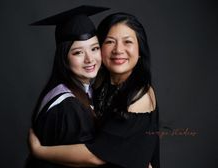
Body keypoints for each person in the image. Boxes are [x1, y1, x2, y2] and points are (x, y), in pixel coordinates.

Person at [29, 12, 160, 168]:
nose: (118, 49)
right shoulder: (91, 90)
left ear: (140, 51)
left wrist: (39, 151)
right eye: (110, 41)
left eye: (128, 42)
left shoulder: (139, 95)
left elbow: (96, 155)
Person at [25, 5, 109, 168]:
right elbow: (90, 159)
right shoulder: (67, 107)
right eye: (78, 52)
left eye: (94, 48)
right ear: (64, 57)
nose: (89, 59)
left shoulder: (83, 91)